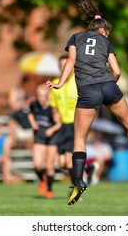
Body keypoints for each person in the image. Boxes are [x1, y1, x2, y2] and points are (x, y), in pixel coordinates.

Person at [46, 0, 128, 205]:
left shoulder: (76, 38)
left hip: (88, 91)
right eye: (107, 32)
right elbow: (117, 71)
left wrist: (59, 83)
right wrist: (110, 80)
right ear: (101, 29)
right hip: (108, 86)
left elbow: (70, 62)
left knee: (79, 140)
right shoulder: (105, 42)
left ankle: (77, 182)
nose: (108, 35)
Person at [28, 85, 62, 199]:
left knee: (49, 166)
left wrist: (51, 130)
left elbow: (59, 124)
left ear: (47, 96)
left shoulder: (52, 108)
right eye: (39, 96)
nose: (41, 98)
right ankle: (42, 179)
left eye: (43, 96)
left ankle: (50, 190)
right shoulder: (34, 104)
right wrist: (33, 123)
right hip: (39, 136)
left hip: (51, 137)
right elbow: (30, 114)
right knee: (37, 164)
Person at [49, 55, 77, 183]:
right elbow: (53, 105)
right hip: (61, 126)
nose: (63, 68)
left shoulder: (78, 82)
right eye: (61, 66)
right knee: (61, 164)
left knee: (69, 161)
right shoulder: (55, 83)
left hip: (74, 124)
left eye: (65, 65)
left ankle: (76, 188)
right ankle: (87, 170)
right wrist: (55, 113)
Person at [8, 75, 34, 149]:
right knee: (12, 127)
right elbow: (12, 105)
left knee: (32, 140)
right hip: (18, 120)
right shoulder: (15, 91)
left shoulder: (31, 92)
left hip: (27, 122)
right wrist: (24, 103)